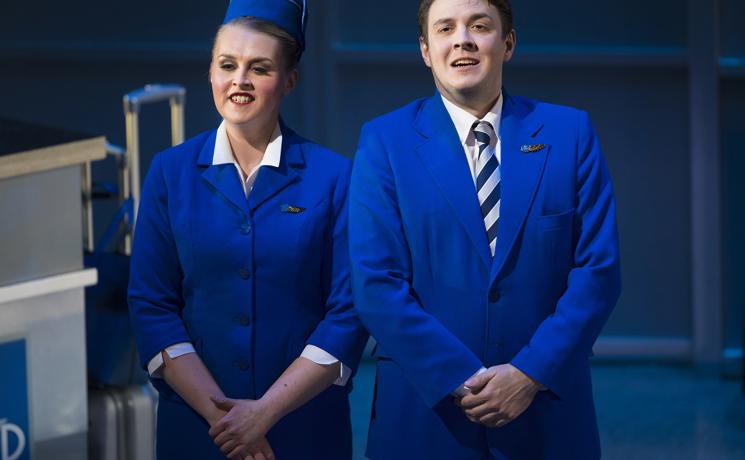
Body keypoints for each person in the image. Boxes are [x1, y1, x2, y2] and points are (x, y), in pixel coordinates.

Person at [348, 0, 621, 459]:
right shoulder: (384, 142)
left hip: (545, 417)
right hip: (426, 419)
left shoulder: (570, 133)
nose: (462, 40)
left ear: (508, 43)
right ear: (425, 50)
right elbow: (376, 284)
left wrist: (529, 374)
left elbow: (598, 273)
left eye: (479, 26)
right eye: (445, 28)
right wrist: (459, 377)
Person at [128, 1, 368, 459]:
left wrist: (264, 414)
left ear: (289, 80)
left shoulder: (334, 177)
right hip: (199, 432)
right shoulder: (170, 172)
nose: (239, 80)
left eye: (259, 68)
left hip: (302, 430)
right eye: (227, 65)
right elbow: (152, 307)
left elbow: (348, 314)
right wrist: (228, 421)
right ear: (211, 73)